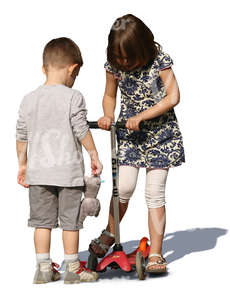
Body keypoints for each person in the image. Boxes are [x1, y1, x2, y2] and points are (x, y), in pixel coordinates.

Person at [89, 14, 185, 274]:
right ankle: (111, 232)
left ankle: (155, 252)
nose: (123, 63)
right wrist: (108, 115)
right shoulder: (114, 66)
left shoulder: (159, 61)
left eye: (128, 58)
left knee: (154, 193)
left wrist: (142, 116)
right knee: (124, 187)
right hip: (130, 136)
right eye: (118, 57)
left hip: (160, 136)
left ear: (143, 47)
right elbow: (109, 95)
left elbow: (173, 95)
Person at [15, 37, 103, 284]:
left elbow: (21, 134)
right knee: (70, 222)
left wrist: (22, 165)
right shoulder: (74, 97)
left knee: (41, 223)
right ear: (73, 69)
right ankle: (73, 269)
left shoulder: (28, 99)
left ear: (44, 68)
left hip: (38, 173)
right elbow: (81, 129)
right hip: (68, 174)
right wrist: (93, 154)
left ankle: (43, 269)